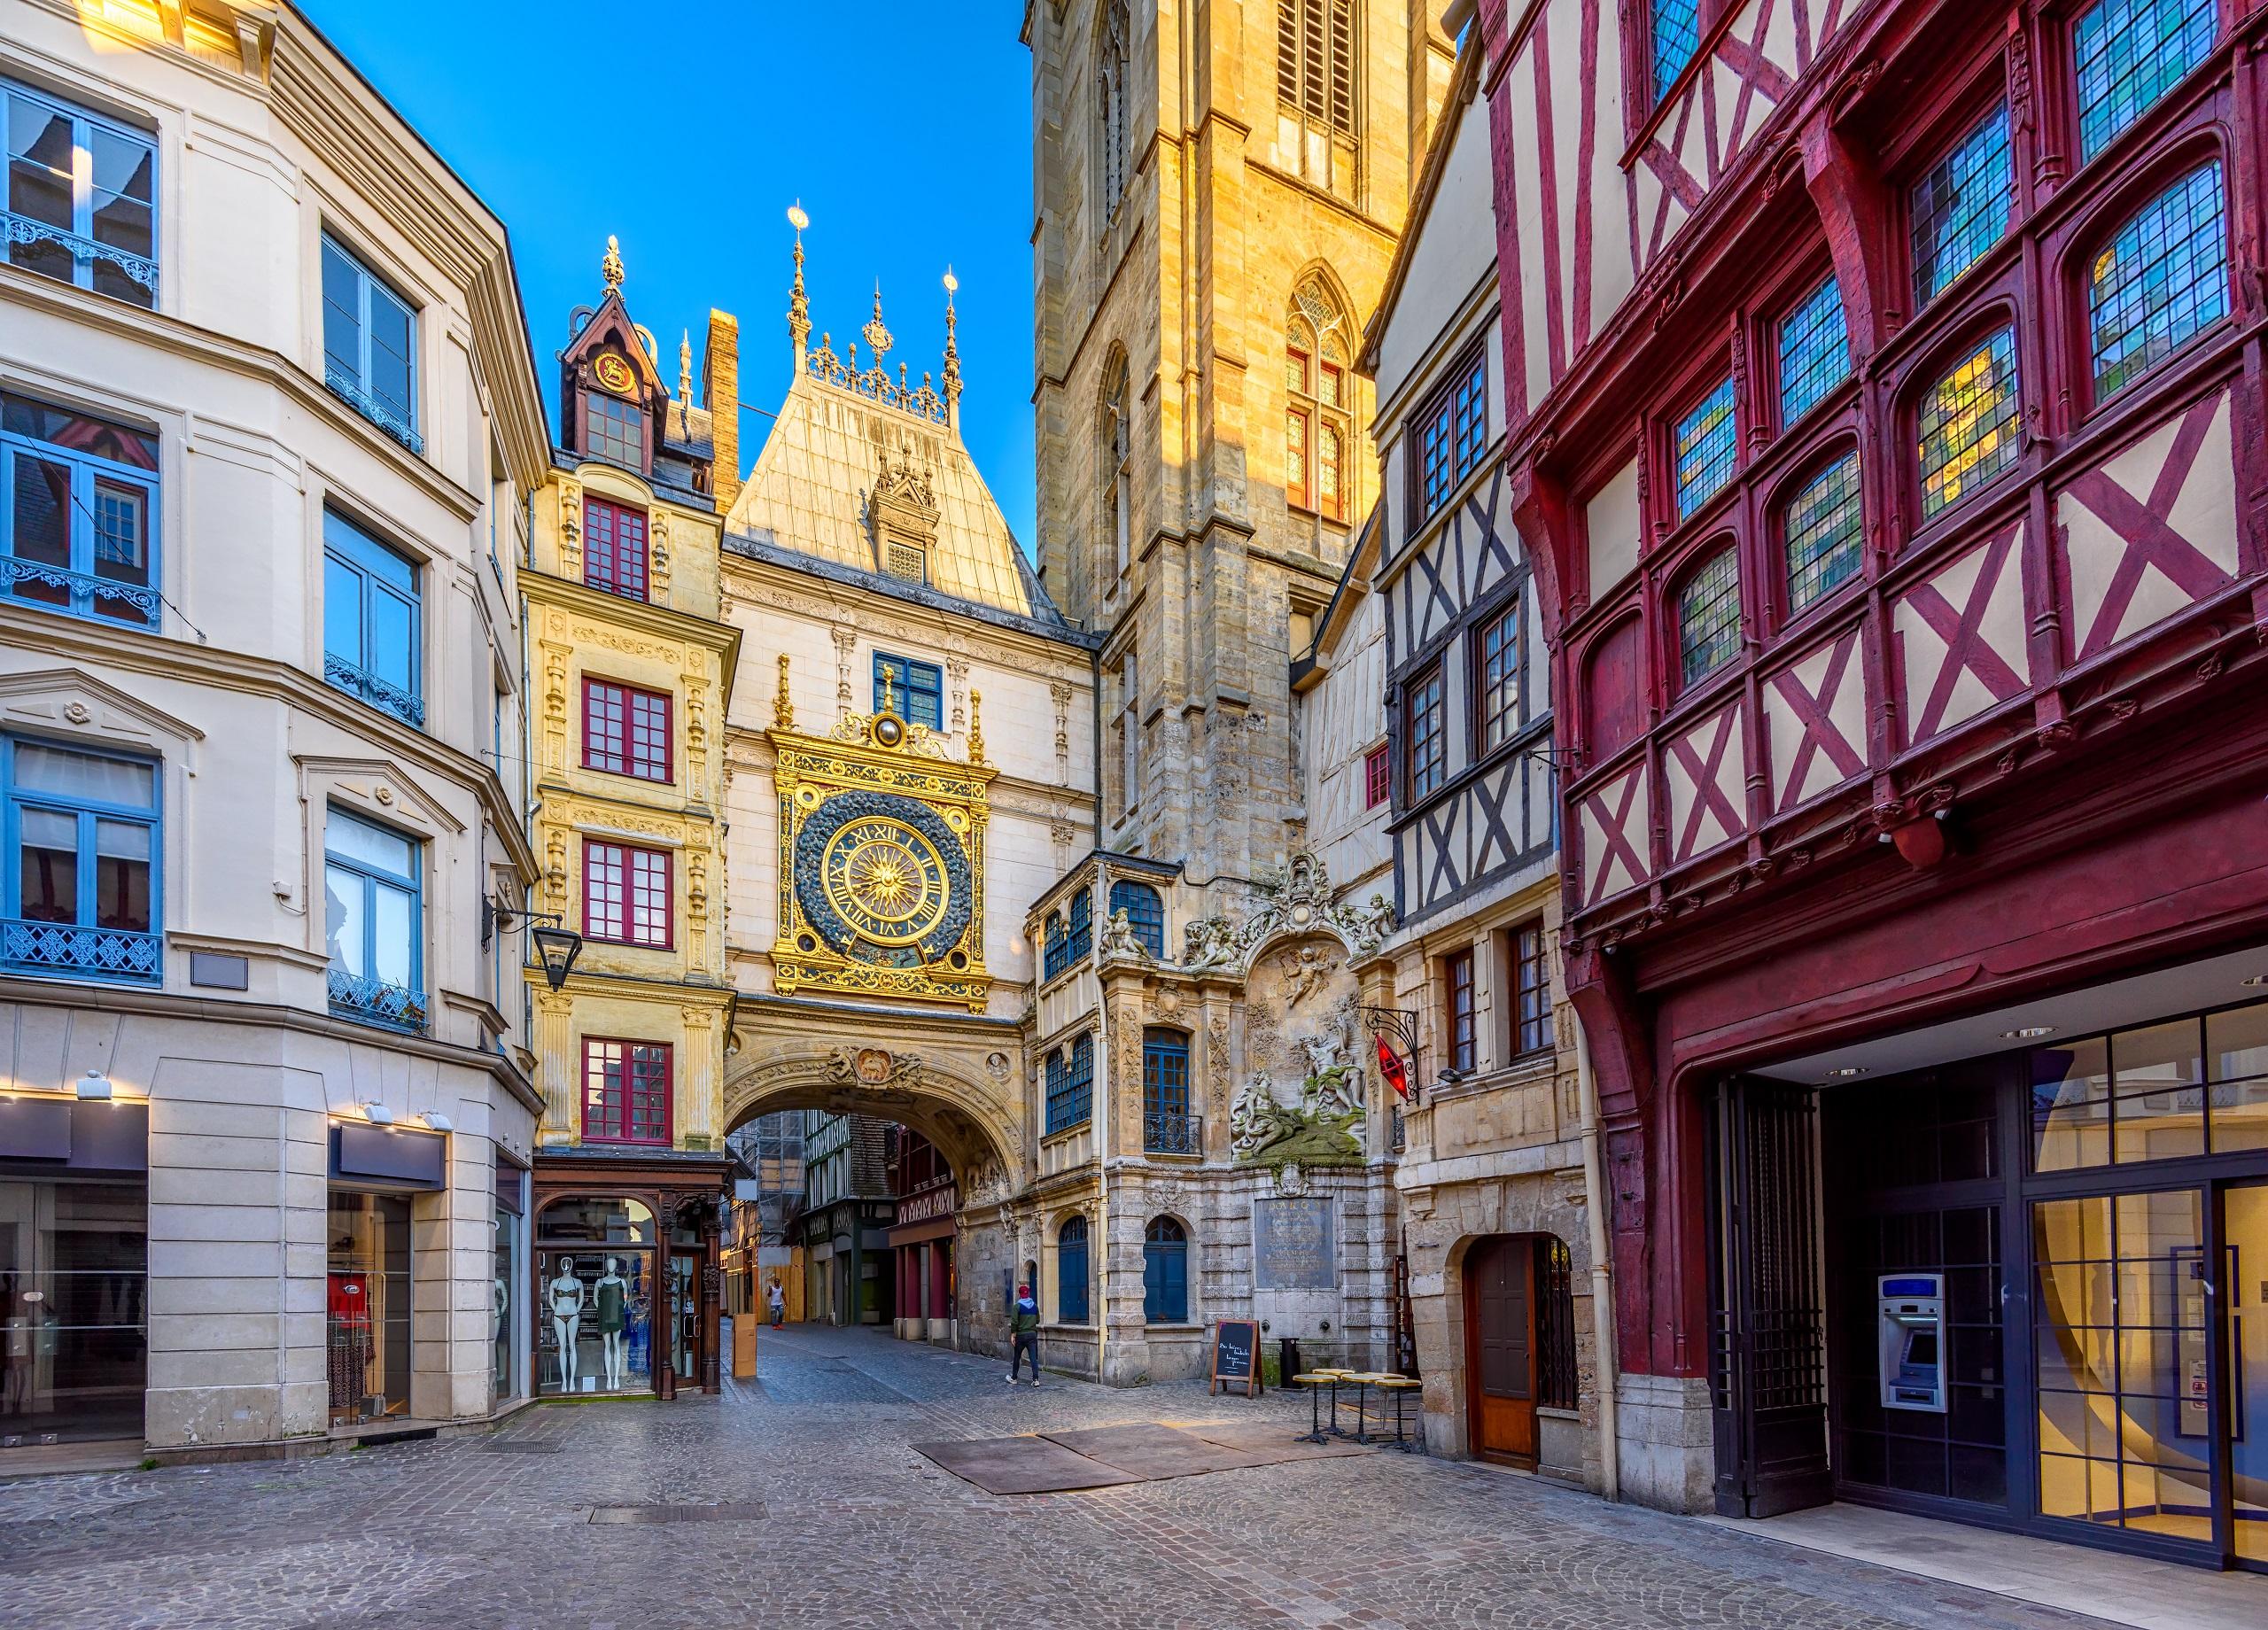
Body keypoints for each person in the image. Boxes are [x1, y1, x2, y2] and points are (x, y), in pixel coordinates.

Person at [1006, 1282, 1040, 1386]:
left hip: (1021, 1336)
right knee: (1033, 1358)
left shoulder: (1017, 1306)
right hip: (1032, 1335)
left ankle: (1014, 1378)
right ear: (1028, 1294)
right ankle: (1036, 1380)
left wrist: (1013, 1334)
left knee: (1017, 1357)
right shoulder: (1035, 1306)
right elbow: (1038, 1320)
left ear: (1020, 1294)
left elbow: (1014, 1322)